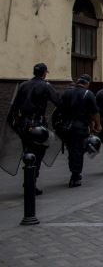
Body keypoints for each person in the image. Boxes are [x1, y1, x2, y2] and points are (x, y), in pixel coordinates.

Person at [7, 63, 61, 194]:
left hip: (24, 125)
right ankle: (31, 183)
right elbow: (59, 102)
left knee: (28, 152)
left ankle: (28, 181)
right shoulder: (45, 85)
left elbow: (14, 106)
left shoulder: (23, 85)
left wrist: (15, 125)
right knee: (38, 153)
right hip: (37, 124)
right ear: (44, 73)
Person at [59, 74, 101, 187]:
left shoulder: (66, 93)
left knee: (72, 150)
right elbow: (94, 112)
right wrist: (98, 125)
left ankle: (74, 171)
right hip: (80, 127)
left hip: (66, 127)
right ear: (87, 83)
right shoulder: (88, 94)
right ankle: (75, 176)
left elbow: (60, 109)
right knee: (78, 151)